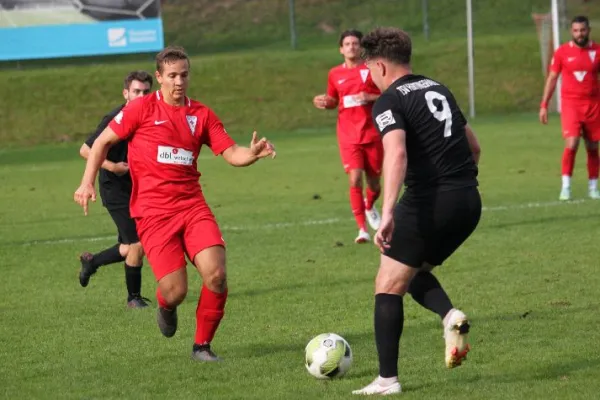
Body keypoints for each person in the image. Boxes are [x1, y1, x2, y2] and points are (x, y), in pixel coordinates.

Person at [73, 46, 276, 361]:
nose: (179, 81)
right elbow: (101, 143)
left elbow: (231, 152)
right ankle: (167, 307)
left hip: (192, 207)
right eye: (172, 76)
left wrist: (251, 154)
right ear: (159, 77)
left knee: (217, 275)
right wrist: (87, 182)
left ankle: (202, 347)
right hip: (153, 215)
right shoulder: (140, 109)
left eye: (184, 74)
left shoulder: (202, 114)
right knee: (175, 291)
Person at [352, 27, 482, 395]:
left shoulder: (389, 101)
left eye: (369, 69)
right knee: (411, 270)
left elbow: (396, 153)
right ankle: (449, 315)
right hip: (469, 200)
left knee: (387, 284)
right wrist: (459, 187)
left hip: (429, 199)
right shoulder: (439, 87)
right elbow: (474, 148)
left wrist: (388, 211)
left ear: (379, 65)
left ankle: (387, 380)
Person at [78, 70, 153, 308]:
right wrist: (112, 166)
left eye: (145, 92)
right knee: (138, 243)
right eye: (136, 91)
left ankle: (93, 262)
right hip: (115, 188)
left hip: (138, 188)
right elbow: (86, 149)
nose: (141, 96)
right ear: (126, 93)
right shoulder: (115, 117)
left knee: (128, 245)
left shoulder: (149, 115)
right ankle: (133, 298)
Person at [312, 29, 383, 244]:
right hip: (348, 134)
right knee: (354, 178)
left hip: (372, 133)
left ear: (361, 47)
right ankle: (362, 230)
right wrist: (325, 102)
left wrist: (369, 96)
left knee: (374, 185)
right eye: (347, 44)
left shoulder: (371, 69)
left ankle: (369, 205)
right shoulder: (335, 74)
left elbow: (389, 93)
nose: (352, 46)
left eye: (355, 43)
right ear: (341, 49)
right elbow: (334, 100)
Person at [540, 15, 600, 201]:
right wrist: (544, 104)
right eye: (576, 30)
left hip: (594, 104)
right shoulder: (562, 52)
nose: (579, 34)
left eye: (582, 30)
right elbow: (552, 78)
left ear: (588, 30)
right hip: (571, 104)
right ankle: (566, 187)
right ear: (571, 32)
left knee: (592, 147)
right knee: (572, 143)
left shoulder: (597, 51)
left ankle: (593, 187)